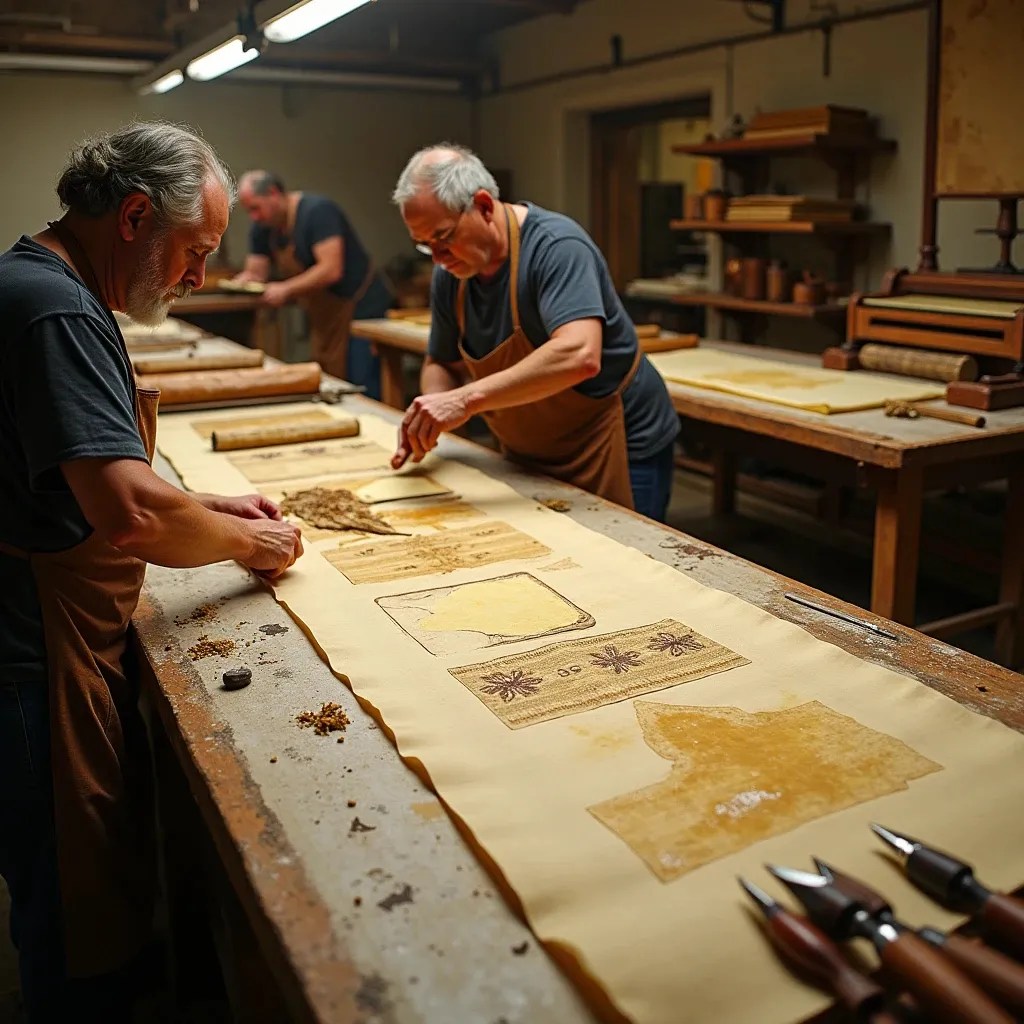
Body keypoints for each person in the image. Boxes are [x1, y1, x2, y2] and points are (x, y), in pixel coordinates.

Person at [0, 121, 304, 1023]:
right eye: (194, 251)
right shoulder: (53, 309)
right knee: (72, 912)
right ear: (134, 218)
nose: (201, 277)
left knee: (84, 888)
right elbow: (128, 512)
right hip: (29, 657)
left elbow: (81, 469)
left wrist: (206, 507)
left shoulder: (46, 283)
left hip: (41, 634)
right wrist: (252, 546)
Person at [389, 144, 680, 521]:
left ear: (484, 206)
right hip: (529, 449)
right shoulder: (452, 274)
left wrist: (464, 400)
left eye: (443, 237)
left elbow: (579, 354)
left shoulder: (557, 247)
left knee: (633, 552)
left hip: (613, 441)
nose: (439, 257)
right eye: (425, 245)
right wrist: (433, 412)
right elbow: (441, 362)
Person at [232, 170, 394, 397]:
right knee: (330, 380)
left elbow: (331, 269)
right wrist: (247, 280)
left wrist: (286, 289)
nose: (254, 216)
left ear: (273, 193)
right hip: (324, 314)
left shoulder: (317, 212)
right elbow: (256, 271)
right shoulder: (263, 227)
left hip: (359, 308)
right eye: (249, 211)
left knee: (361, 382)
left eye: (256, 208)